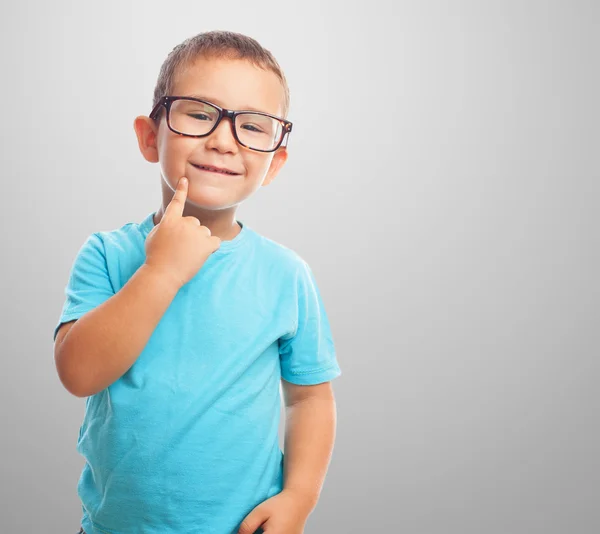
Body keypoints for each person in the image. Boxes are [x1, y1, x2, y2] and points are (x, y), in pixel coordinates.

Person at [53, 30, 341, 534]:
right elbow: (79, 374)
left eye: (253, 126)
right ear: (150, 136)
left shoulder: (285, 274)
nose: (224, 140)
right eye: (200, 113)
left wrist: (299, 496)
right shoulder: (106, 254)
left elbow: (309, 398)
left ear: (273, 163)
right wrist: (160, 272)